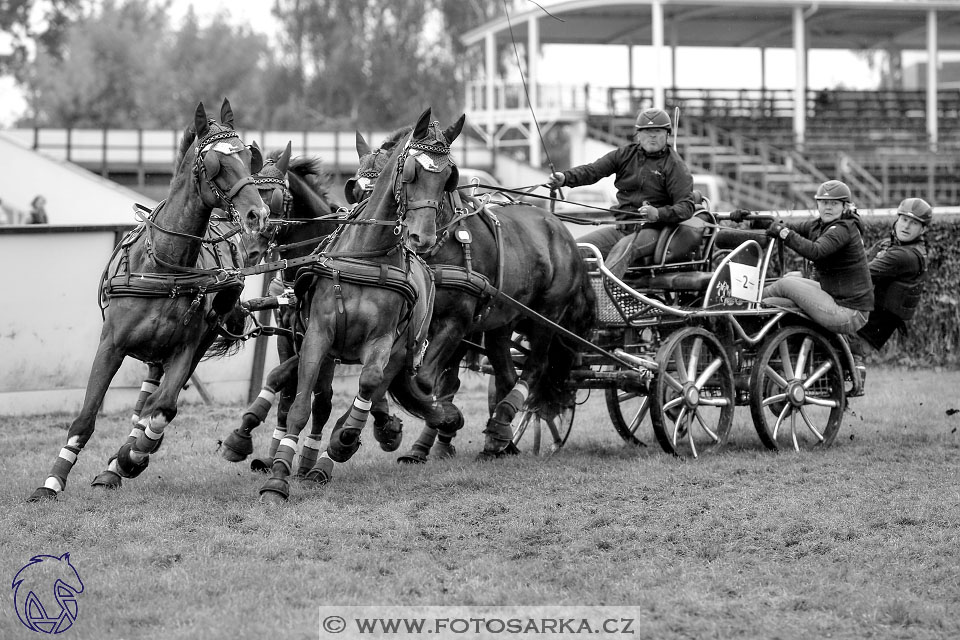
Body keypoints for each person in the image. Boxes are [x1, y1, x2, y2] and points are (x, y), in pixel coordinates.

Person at [546, 107, 696, 278]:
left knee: (621, 251)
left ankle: (606, 299)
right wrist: (565, 178)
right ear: (638, 134)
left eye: (657, 131)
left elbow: (686, 207)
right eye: (647, 131)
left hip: (654, 232)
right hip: (621, 229)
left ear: (667, 134)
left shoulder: (675, 165)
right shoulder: (624, 155)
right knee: (573, 249)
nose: (652, 136)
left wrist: (658, 213)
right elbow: (593, 171)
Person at [729, 179, 874, 335]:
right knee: (779, 288)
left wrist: (783, 233)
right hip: (835, 297)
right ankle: (744, 308)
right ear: (818, 204)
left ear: (845, 206)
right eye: (824, 203)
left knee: (785, 284)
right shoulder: (819, 225)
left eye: (834, 204)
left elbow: (815, 251)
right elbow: (787, 227)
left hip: (850, 312)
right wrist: (754, 219)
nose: (828, 208)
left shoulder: (844, 228)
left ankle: (741, 307)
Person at [848, 197, 932, 379]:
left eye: (914, 223)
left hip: (861, 333)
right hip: (859, 319)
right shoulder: (887, 245)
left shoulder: (905, 256)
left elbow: (860, 273)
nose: (906, 226)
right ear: (897, 219)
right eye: (904, 219)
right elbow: (859, 261)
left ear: (923, 229)